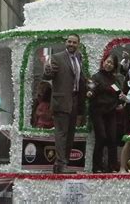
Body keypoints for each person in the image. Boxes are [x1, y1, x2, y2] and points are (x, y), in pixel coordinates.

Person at [43, 34, 86, 173]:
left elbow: (79, 78)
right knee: (61, 133)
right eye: (69, 41)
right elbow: (48, 75)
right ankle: (61, 164)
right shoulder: (57, 57)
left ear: (78, 44)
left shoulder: (79, 57)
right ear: (65, 43)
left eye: (74, 42)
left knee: (70, 134)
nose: (71, 44)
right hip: (61, 100)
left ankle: (63, 164)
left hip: (75, 99)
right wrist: (47, 69)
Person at [87, 54, 123, 173]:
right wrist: (90, 93)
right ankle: (97, 167)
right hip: (97, 112)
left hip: (111, 112)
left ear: (114, 66)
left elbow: (119, 94)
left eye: (111, 63)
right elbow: (90, 87)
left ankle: (112, 166)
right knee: (101, 137)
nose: (109, 65)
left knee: (112, 138)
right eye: (108, 62)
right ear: (103, 62)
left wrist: (121, 101)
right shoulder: (95, 77)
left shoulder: (115, 80)